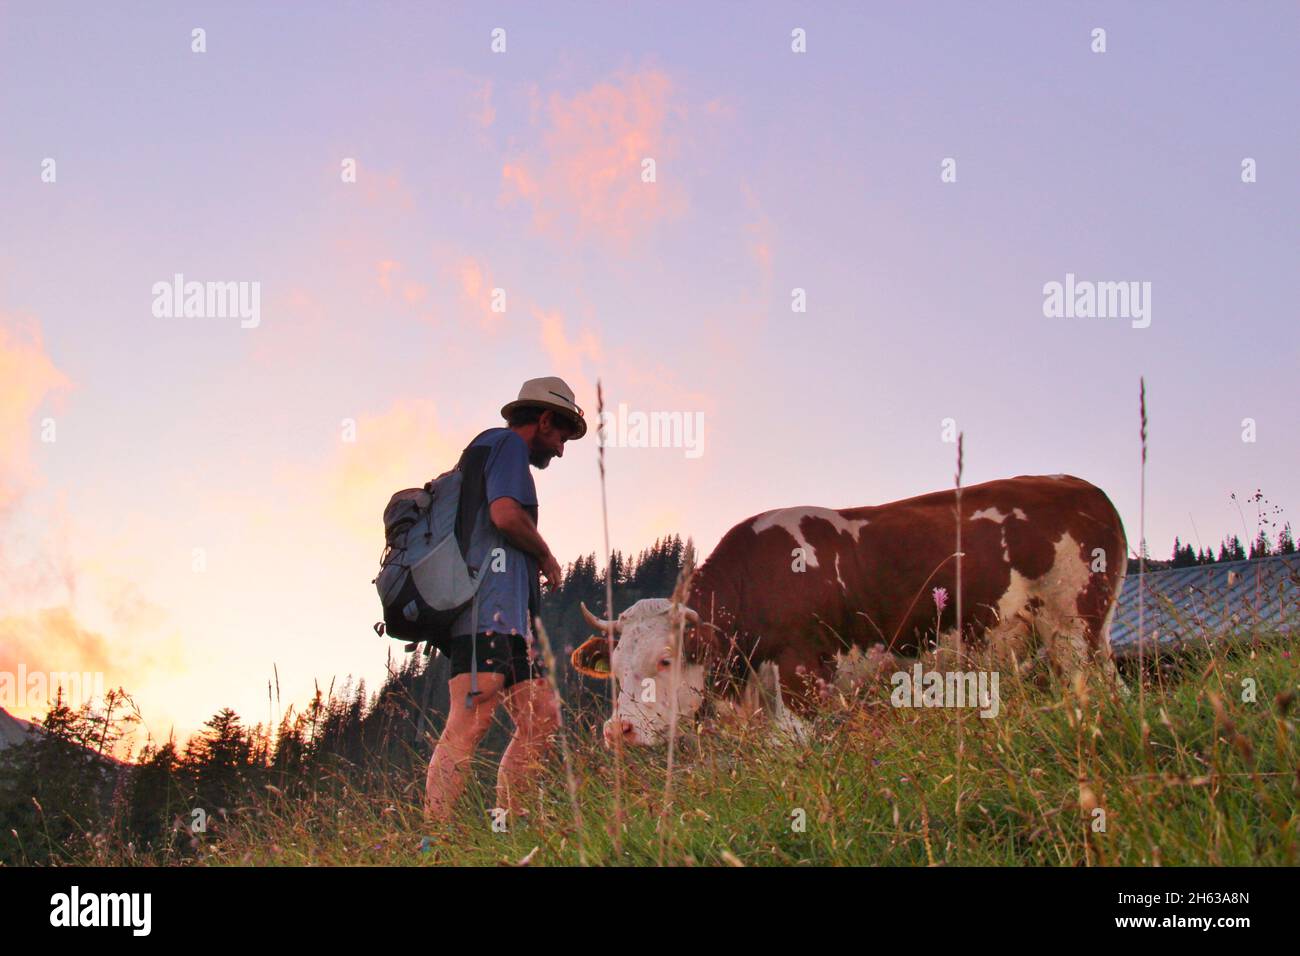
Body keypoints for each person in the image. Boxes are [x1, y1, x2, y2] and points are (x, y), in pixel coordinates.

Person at [423, 376, 586, 830]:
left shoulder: (489, 452)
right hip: (485, 609)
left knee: (542, 718)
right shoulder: (507, 447)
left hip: (509, 618)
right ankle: (433, 845)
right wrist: (546, 554)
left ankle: (510, 829)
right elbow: (505, 514)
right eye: (561, 435)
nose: (560, 448)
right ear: (545, 418)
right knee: (470, 721)